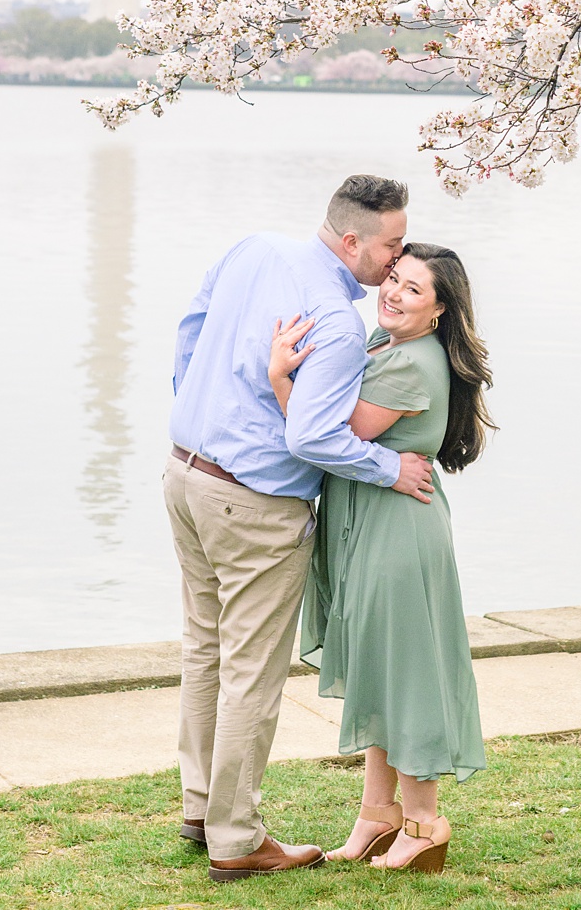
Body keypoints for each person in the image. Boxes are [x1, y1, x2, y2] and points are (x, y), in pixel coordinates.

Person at [164, 173, 437, 884]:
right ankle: (234, 837)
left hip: (186, 473)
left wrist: (204, 408)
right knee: (251, 672)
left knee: (205, 650)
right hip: (254, 504)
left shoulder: (254, 249)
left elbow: (189, 330)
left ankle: (200, 808)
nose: (395, 260)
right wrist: (388, 468)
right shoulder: (339, 323)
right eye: (391, 246)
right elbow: (315, 437)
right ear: (352, 241)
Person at [270, 240, 492, 874]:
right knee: (381, 668)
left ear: (440, 311)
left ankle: (424, 822)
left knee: (406, 676)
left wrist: (279, 379)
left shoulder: (409, 364)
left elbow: (324, 435)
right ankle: (377, 816)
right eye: (393, 276)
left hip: (397, 533)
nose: (393, 292)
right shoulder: (384, 345)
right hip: (374, 519)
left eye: (413, 289)